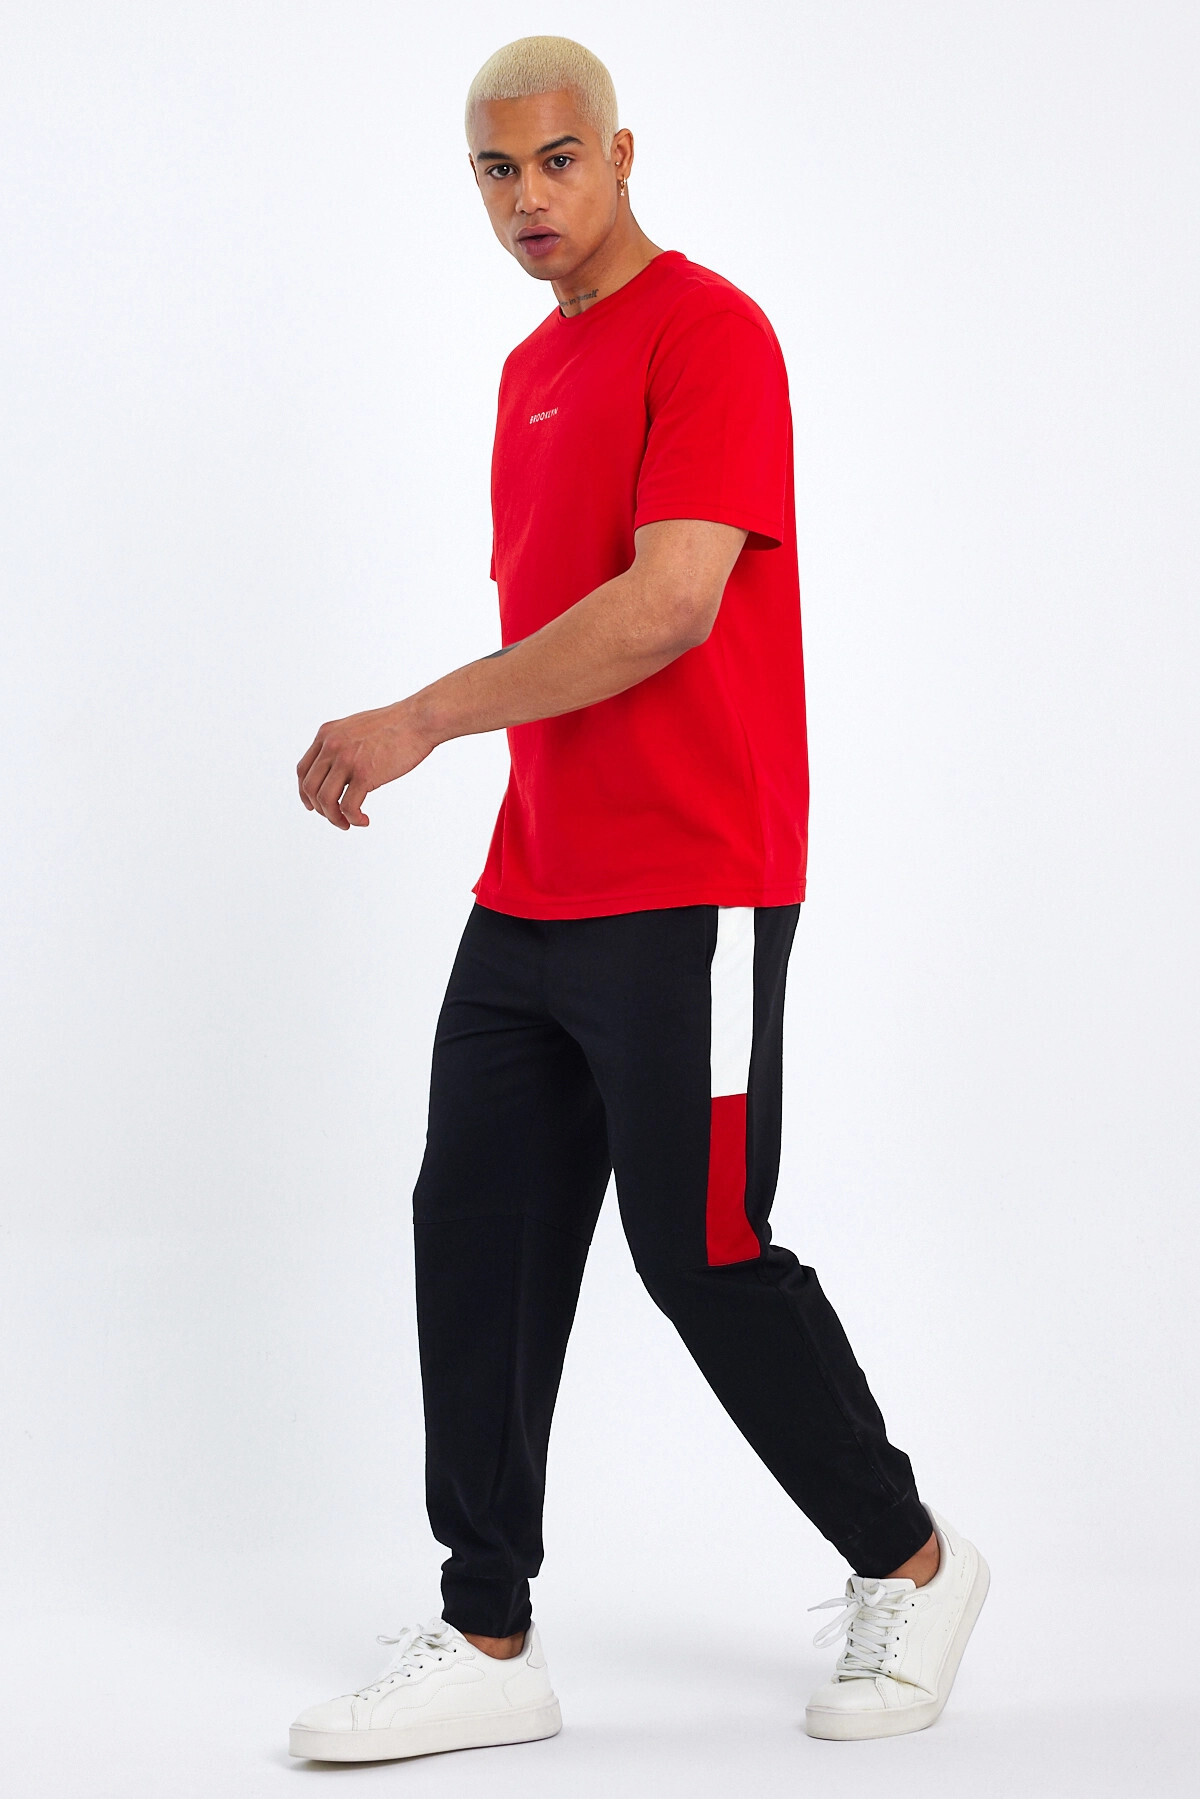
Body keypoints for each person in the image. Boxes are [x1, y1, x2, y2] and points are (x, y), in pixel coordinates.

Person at [288, 34, 988, 1764]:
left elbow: (670, 604)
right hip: (535, 885)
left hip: (696, 883)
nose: (528, 197)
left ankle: (912, 1561)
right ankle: (486, 1632)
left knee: (705, 1249)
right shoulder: (532, 368)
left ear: (618, 152)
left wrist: (419, 718)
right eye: (496, 171)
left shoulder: (710, 332)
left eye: (556, 160)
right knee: (477, 1234)